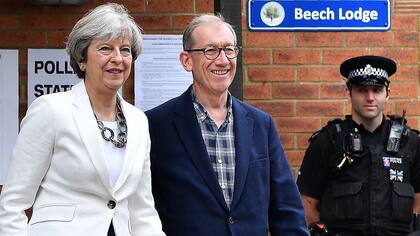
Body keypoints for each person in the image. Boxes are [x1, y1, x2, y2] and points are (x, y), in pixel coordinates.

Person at [0, 3, 165, 236]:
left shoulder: (138, 120)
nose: (117, 58)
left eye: (125, 50)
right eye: (106, 49)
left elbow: (143, 209)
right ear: (82, 59)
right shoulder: (51, 110)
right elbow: (13, 203)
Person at [145, 14, 309, 236]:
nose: (222, 60)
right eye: (210, 50)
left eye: (229, 50)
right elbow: (142, 209)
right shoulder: (156, 125)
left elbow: (287, 211)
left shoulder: (261, 124)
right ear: (187, 61)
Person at [296, 55, 420, 236]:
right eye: (362, 90)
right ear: (349, 92)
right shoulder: (328, 142)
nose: (370, 97)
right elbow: (307, 203)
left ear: (388, 93)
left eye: (377, 90)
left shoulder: (410, 143)